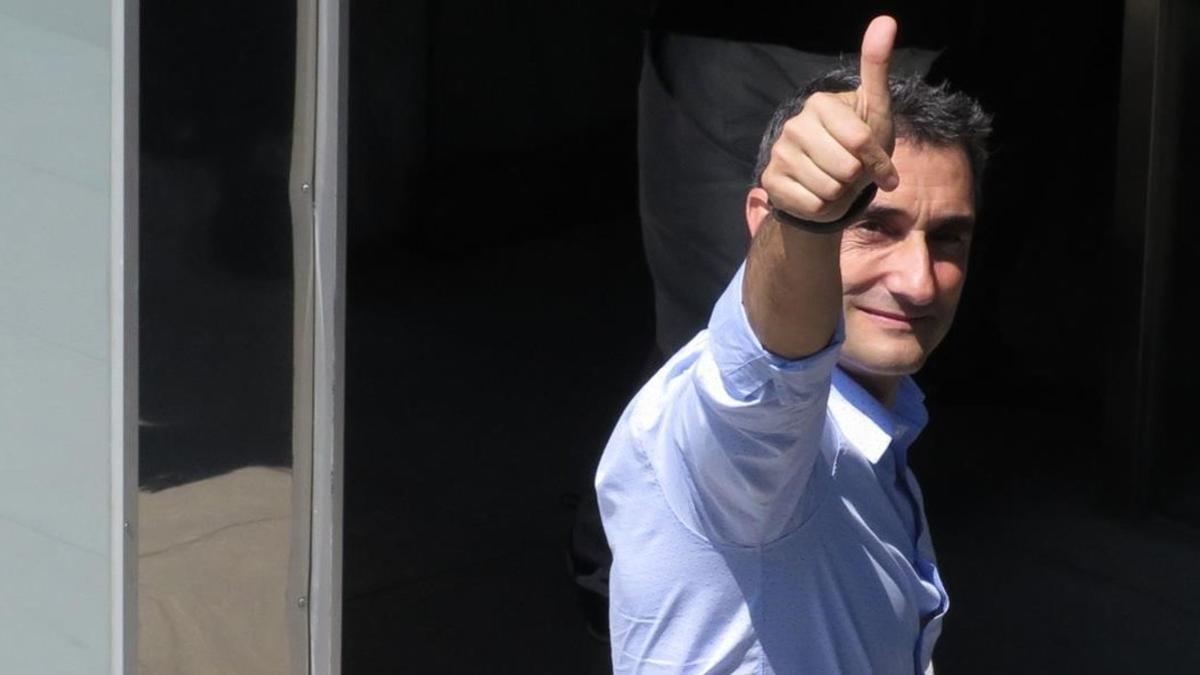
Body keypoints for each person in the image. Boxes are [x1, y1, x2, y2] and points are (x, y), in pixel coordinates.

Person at [595, 16, 991, 673]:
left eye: (947, 237)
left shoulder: (878, 419)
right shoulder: (744, 443)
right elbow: (764, 378)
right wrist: (808, 221)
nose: (919, 282)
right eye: (873, 227)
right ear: (762, 217)